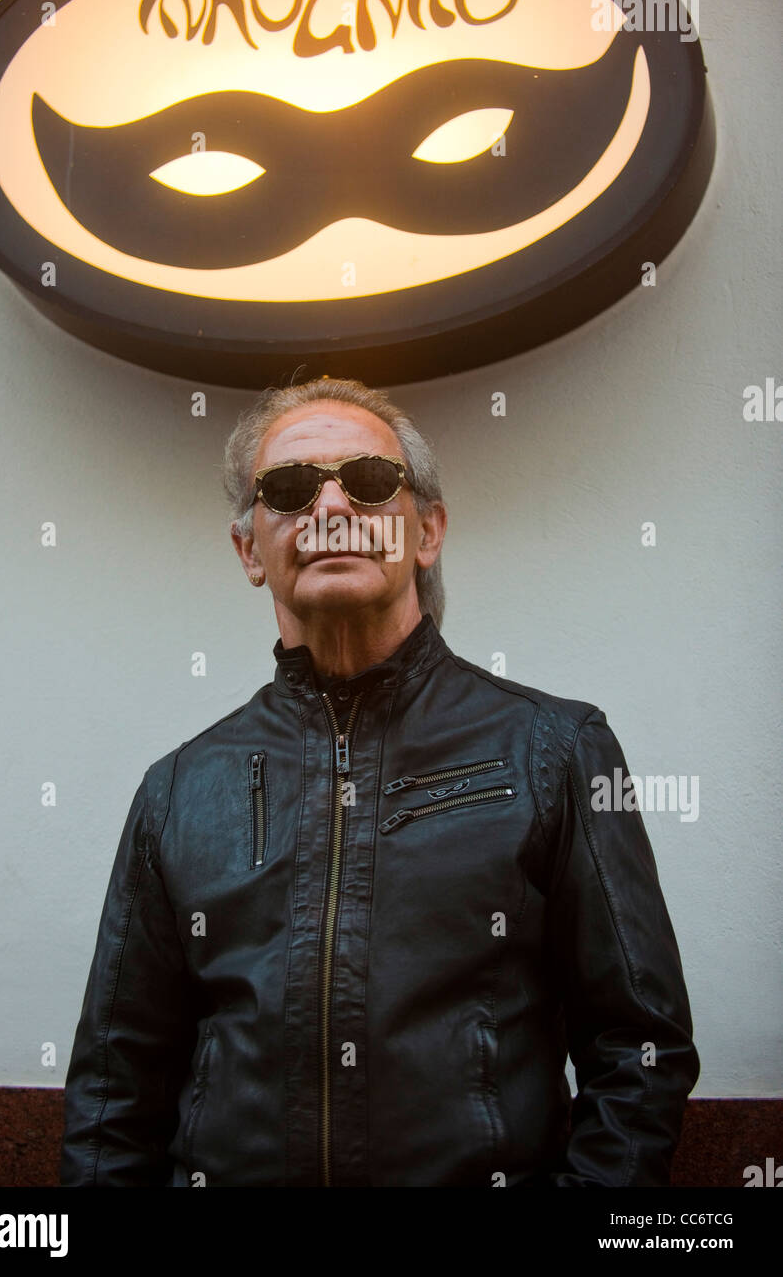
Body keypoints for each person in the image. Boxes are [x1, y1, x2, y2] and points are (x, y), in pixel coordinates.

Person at [59, 375, 699, 1187]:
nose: (330, 510)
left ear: (426, 530)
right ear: (250, 549)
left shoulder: (556, 750)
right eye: (288, 489)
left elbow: (639, 1051)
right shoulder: (179, 789)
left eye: (367, 481)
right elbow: (114, 1089)